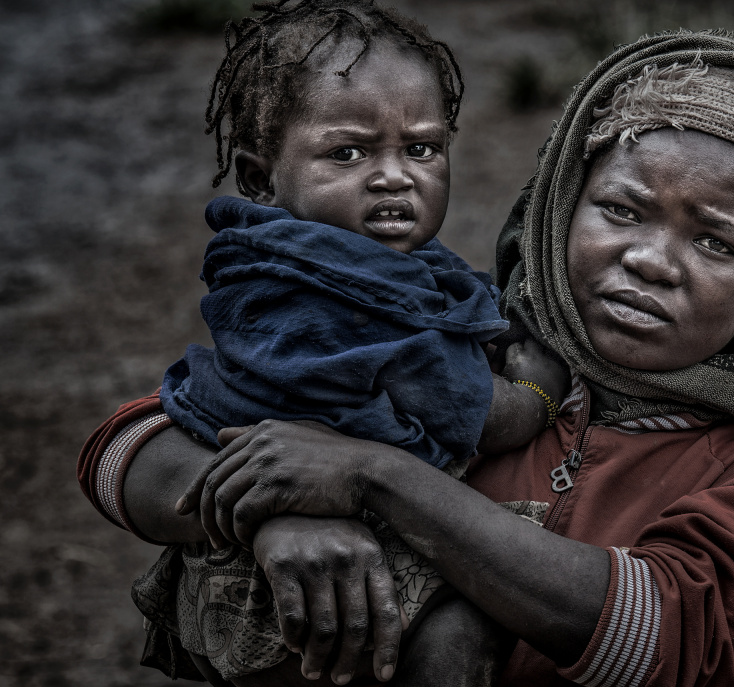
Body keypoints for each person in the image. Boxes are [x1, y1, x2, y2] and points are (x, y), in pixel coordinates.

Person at [78, 29, 734, 687]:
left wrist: (374, 478)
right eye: (623, 210)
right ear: (561, 206)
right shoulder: (469, 336)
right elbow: (125, 445)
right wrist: (273, 509)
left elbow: (661, 637)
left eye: (716, 240)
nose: (652, 260)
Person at [79, 1, 567, 684]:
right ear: (259, 176)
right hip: (332, 561)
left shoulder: (257, 266)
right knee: (461, 631)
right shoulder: (368, 305)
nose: (394, 176)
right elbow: (486, 415)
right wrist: (543, 388)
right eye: (348, 152)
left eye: (421, 148)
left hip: (220, 555)